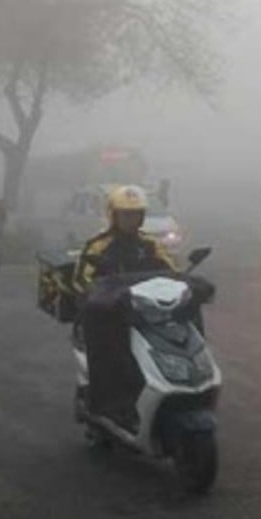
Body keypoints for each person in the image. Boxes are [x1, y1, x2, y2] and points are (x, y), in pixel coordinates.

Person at [74, 185, 176, 431]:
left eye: (136, 214)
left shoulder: (150, 244)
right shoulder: (98, 246)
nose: (131, 219)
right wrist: (103, 297)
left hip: (146, 312)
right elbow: (81, 280)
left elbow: (172, 271)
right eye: (125, 214)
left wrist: (185, 286)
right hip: (111, 316)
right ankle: (110, 406)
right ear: (113, 215)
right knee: (116, 353)